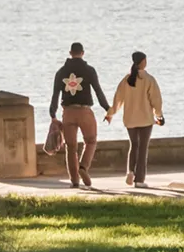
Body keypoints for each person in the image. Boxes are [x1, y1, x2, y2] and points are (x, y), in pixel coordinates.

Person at [49, 42, 109, 188]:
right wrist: (108, 109)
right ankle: (83, 167)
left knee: (71, 147)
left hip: (68, 112)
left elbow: (55, 95)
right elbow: (98, 91)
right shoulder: (89, 70)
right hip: (85, 111)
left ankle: (74, 181)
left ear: (70, 53)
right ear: (82, 53)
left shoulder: (61, 72)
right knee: (91, 141)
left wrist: (53, 115)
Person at [107, 50, 165, 188]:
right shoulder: (149, 79)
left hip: (130, 119)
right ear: (143, 62)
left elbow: (118, 99)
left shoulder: (126, 79)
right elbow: (156, 100)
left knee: (134, 145)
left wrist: (111, 113)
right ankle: (139, 179)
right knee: (143, 148)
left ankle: (130, 171)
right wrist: (159, 115)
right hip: (145, 119)